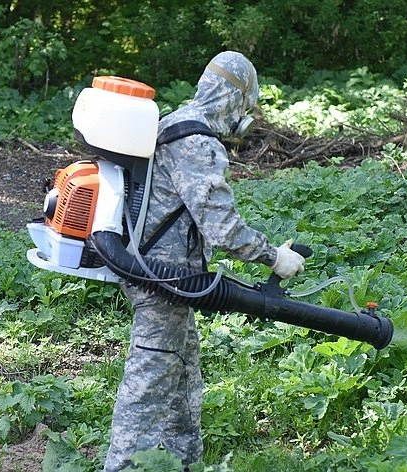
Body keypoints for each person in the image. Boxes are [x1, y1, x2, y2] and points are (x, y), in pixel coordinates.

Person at [103, 51, 306, 471]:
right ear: (235, 99)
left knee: (181, 376)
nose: (245, 118)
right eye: (247, 107)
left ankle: (185, 462)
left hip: (165, 276)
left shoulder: (173, 122)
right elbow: (222, 227)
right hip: (160, 279)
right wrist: (274, 257)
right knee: (147, 387)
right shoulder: (197, 142)